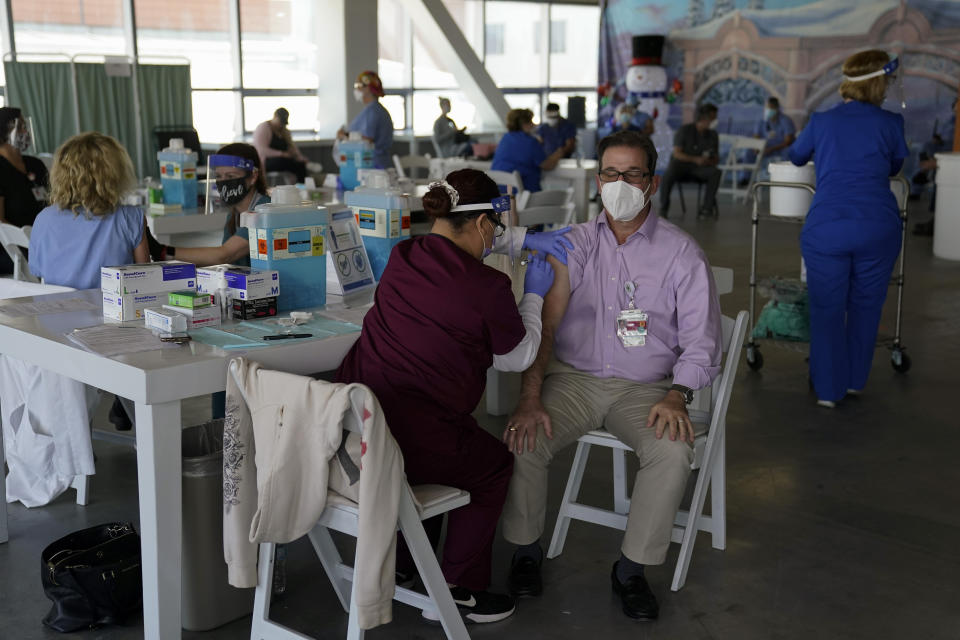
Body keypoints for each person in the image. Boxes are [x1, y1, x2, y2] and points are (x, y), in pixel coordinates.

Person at [335, 168, 574, 625]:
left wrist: (523, 241)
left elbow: (463, 237)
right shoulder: (488, 287)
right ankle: (459, 586)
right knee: (491, 465)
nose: (497, 235)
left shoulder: (405, 254)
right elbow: (516, 355)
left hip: (359, 425)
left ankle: (405, 564)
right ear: (486, 223)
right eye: (496, 227)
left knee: (446, 444)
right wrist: (535, 298)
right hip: (413, 436)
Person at [501, 130, 721, 621]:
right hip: (573, 380)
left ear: (653, 182)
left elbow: (703, 340)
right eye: (610, 173)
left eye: (633, 173)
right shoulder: (572, 243)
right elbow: (547, 327)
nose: (620, 183)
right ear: (597, 179)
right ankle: (525, 551)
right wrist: (530, 396)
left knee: (670, 447)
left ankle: (632, 569)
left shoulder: (681, 253)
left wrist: (678, 395)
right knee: (523, 434)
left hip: (646, 389)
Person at [788, 50, 908, 408]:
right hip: (877, 225)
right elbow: (895, 166)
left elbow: (796, 156)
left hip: (828, 226)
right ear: (880, 83)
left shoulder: (822, 121)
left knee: (826, 308)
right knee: (866, 305)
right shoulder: (891, 124)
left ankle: (828, 391)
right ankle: (855, 380)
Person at [28, 132, 148, 288]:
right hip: (112, 310)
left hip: (58, 308)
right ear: (115, 173)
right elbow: (145, 279)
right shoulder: (130, 218)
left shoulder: (43, 219)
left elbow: (38, 271)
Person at [154, 143, 270, 268]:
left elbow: (224, 255)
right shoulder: (234, 214)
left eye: (231, 176)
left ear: (253, 176)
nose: (224, 181)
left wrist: (165, 252)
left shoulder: (263, 212)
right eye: (219, 176)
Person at [0, 106, 49, 274]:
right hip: (12, 246)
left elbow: (55, 201)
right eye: (20, 126)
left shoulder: (36, 165)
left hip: (46, 239)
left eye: (25, 126)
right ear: (5, 131)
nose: (25, 131)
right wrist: (29, 238)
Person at [659, 103, 721, 219]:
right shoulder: (685, 131)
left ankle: (706, 208)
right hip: (682, 166)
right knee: (670, 171)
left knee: (715, 172)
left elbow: (716, 158)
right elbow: (677, 153)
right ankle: (664, 207)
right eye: (713, 118)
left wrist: (708, 161)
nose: (715, 121)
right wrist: (695, 159)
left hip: (700, 169)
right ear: (703, 118)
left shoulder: (713, 135)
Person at [491, 108, 565, 192]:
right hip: (525, 195)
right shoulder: (531, 142)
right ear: (524, 124)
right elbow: (548, 165)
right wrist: (559, 153)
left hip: (501, 195)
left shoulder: (505, 138)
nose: (533, 125)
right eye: (530, 122)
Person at [337, 71, 394, 169]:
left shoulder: (373, 112)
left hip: (374, 165)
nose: (356, 89)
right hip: (375, 163)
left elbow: (368, 140)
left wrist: (344, 135)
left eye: (358, 85)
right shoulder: (374, 110)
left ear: (367, 88)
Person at [253, 107, 308, 183]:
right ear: (275, 117)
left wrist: (300, 157)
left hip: (285, 160)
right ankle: (300, 185)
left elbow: (292, 147)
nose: (281, 125)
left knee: (300, 164)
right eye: (280, 122)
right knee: (287, 162)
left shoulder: (284, 131)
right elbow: (261, 150)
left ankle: (302, 187)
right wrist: (282, 154)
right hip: (267, 161)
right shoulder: (263, 127)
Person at [755, 97, 796, 161]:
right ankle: (746, 170)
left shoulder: (785, 120)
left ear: (776, 109)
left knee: (788, 151)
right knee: (750, 151)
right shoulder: (762, 121)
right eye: (766, 108)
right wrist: (757, 147)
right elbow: (756, 136)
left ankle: (783, 170)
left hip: (781, 148)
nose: (767, 110)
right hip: (765, 148)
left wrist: (771, 149)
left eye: (770, 108)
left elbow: (788, 141)